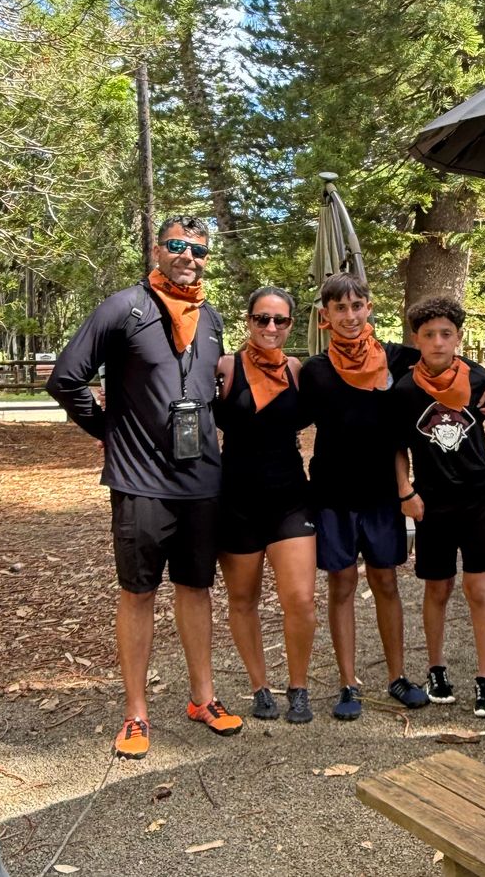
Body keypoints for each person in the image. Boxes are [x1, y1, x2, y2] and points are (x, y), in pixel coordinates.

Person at [46, 215, 243, 760]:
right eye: (177, 245)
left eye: (198, 250)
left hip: (201, 480)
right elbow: (66, 378)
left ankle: (203, 699)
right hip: (141, 482)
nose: (188, 257)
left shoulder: (210, 319)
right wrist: (109, 431)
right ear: (158, 250)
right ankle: (135, 712)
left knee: (196, 588)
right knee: (138, 592)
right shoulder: (124, 308)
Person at [298, 273, 485, 720]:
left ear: (368, 308)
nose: (350, 316)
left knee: (386, 582)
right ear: (325, 315)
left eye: (357, 306)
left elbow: (447, 355)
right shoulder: (314, 370)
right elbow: (285, 415)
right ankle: (348, 683)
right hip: (333, 494)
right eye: (340, 308)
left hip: (381, 494)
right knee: (342, 584)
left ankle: (397, 676)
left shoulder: (394, 357)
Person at [393, 296, 485, 718]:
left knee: (478, 589)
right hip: (432, 504)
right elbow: (397, 448)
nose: (438, 342)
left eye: (446, 334)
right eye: (429, 334)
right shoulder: (405, 390)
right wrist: (405, 491)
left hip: (478, 498)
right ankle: (436, 670)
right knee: (437, 588)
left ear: (458, 337)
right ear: (416, 339)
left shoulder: (479, 380)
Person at [215, 287, 317, 725]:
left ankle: (299, 687)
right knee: (243, 599)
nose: (270, 327)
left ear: (291, 324)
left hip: (289, 498)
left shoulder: (296, 370)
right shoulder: (225, 368)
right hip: (236, 499)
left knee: (301, 599)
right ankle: (259, 687)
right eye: (262, 318)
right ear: (249, 321)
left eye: (280, 320)